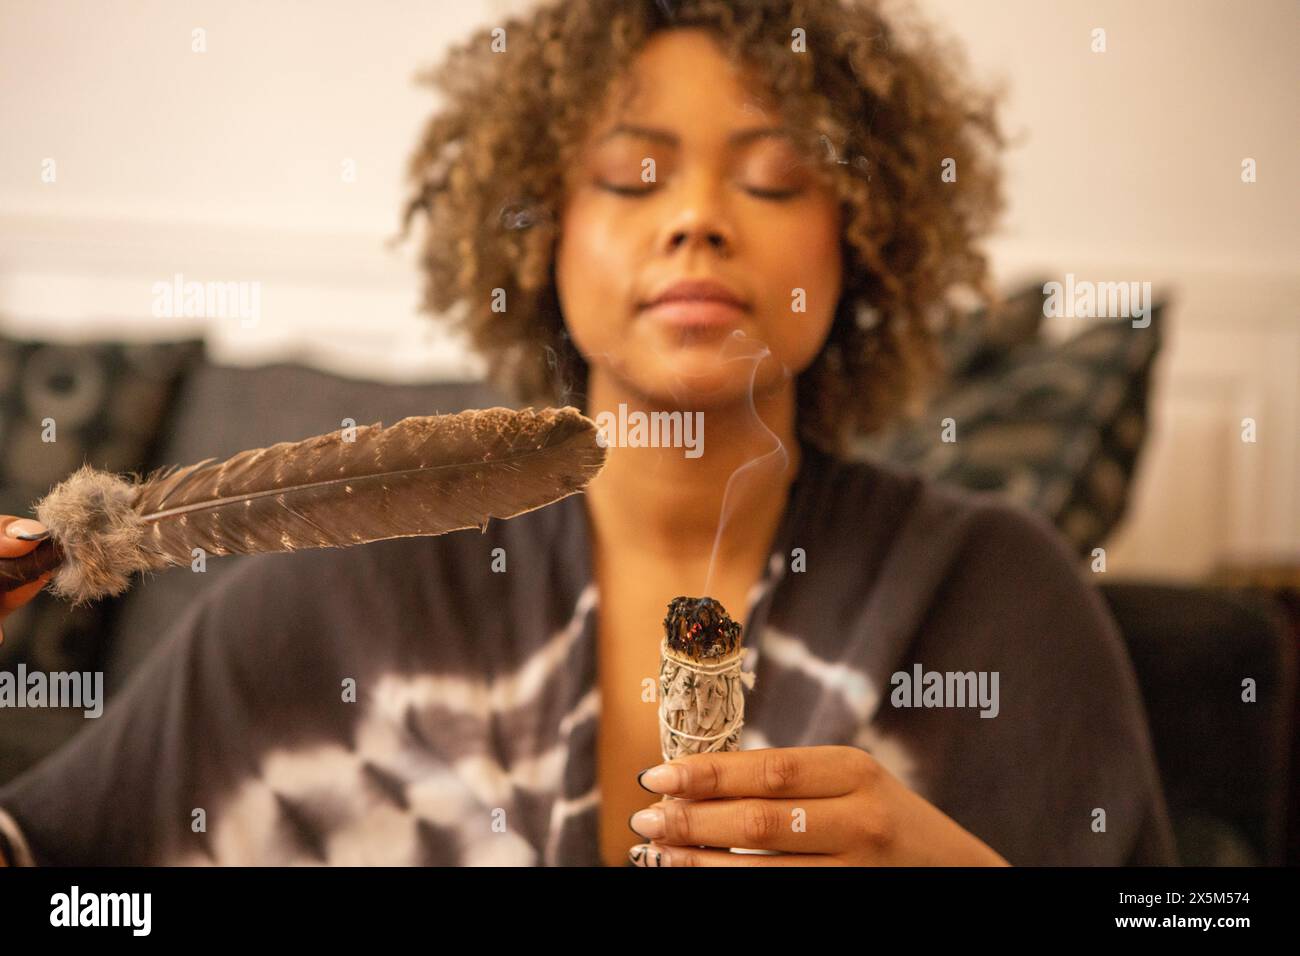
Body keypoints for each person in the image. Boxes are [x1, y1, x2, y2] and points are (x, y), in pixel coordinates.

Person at [0, 0, 1176, 867]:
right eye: (630, 175)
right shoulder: (335, 601)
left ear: (860, 243)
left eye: (771, 180)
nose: (699, 218)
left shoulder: (1001, 597)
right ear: (538, 237)